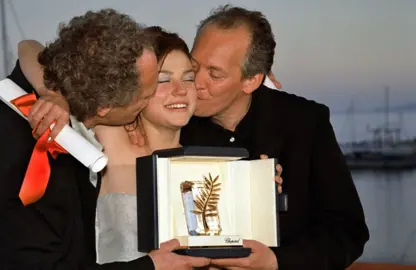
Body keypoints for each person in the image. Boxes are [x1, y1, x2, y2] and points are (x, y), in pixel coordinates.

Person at [30, 5, 370, 270]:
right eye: (196, 67)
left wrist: (276, 261)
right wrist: (56, 93)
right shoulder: (168, 119)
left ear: (251, 80)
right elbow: (33, 51)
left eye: (214, 74)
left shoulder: (303, 122)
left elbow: (346, 230)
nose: (194, 85)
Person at [0, 9, 211, 270]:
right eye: (145, 96)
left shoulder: (30, 94)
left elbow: (29, 51)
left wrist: (48, 90)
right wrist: (151, 266)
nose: (148, 101)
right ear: (105, 107)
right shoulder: (36, 157)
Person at [17, 25, 284, 265]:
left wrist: (256, 193)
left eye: (188, 77)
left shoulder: (209, 160)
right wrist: (52, 93)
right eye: (163, 79)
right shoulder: (107, 136)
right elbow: (28, 47)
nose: (180, 89)